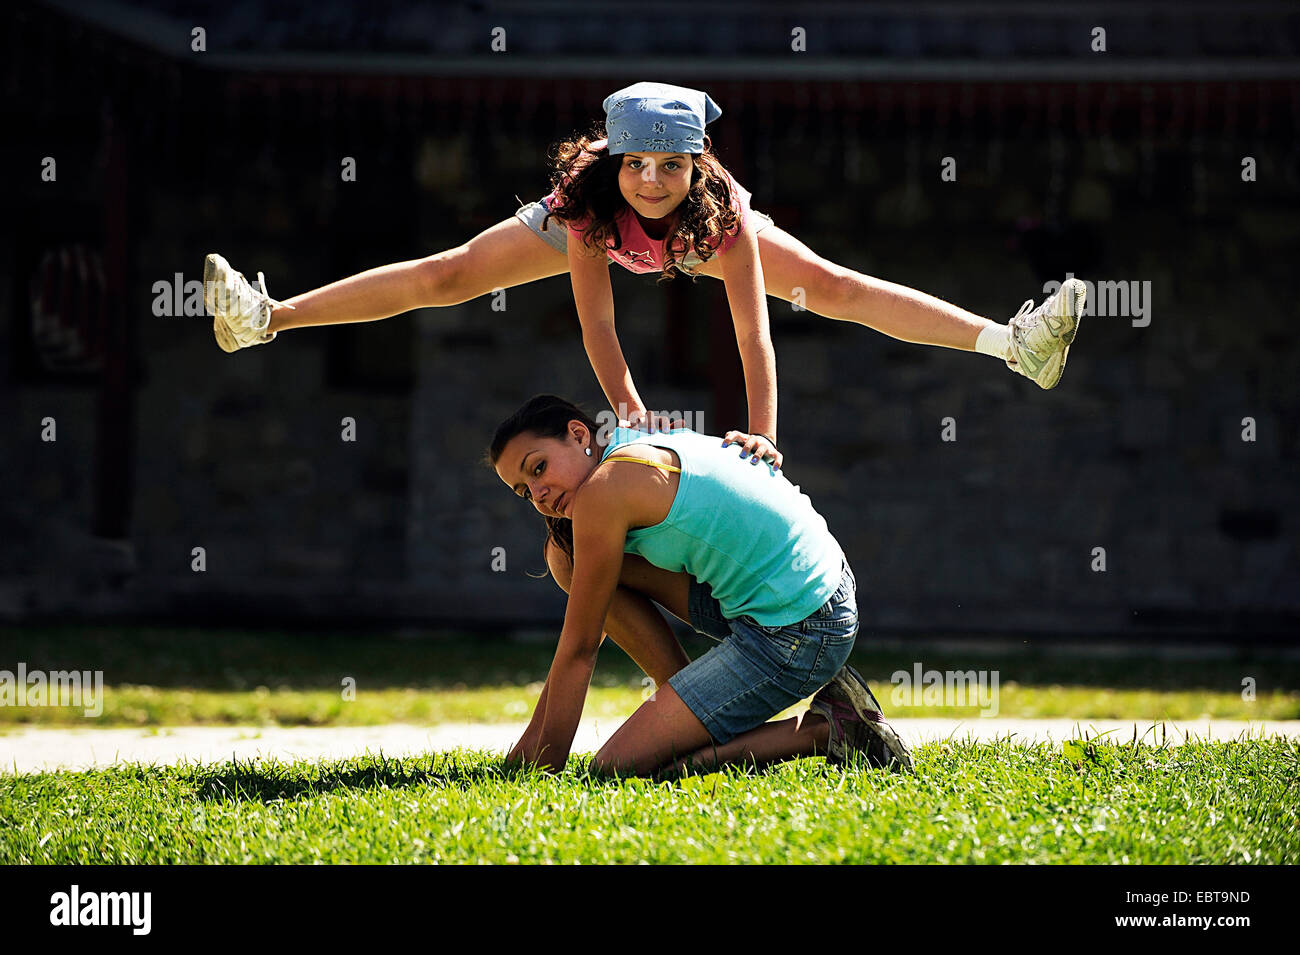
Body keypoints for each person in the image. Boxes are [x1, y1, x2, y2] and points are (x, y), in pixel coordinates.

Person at [205, 81, 1086, 469]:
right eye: (639, 164)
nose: (654, 179)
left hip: (694, 245)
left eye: (671, 164)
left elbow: (752, 333)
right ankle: (266, 316)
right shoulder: (589, 202)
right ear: (615, 161)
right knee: (449, 274)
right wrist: (627, 410)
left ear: (698, 165)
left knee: (838, 287)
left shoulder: (722, 217)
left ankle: (1015, 345)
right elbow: (598, 324)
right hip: (594, 236)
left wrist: (764, 435)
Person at [488, 393, 913, 778]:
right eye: (524, 492)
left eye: (538, 467)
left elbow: (580, 646)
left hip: (803, 628)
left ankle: (829, 728)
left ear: (578, 433)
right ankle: (687, 704)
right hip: (808, 591)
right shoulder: (634, 437)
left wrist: (537, 763)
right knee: (563, 555)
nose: (540, 494)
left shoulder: (606, 490)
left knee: (614, 768)